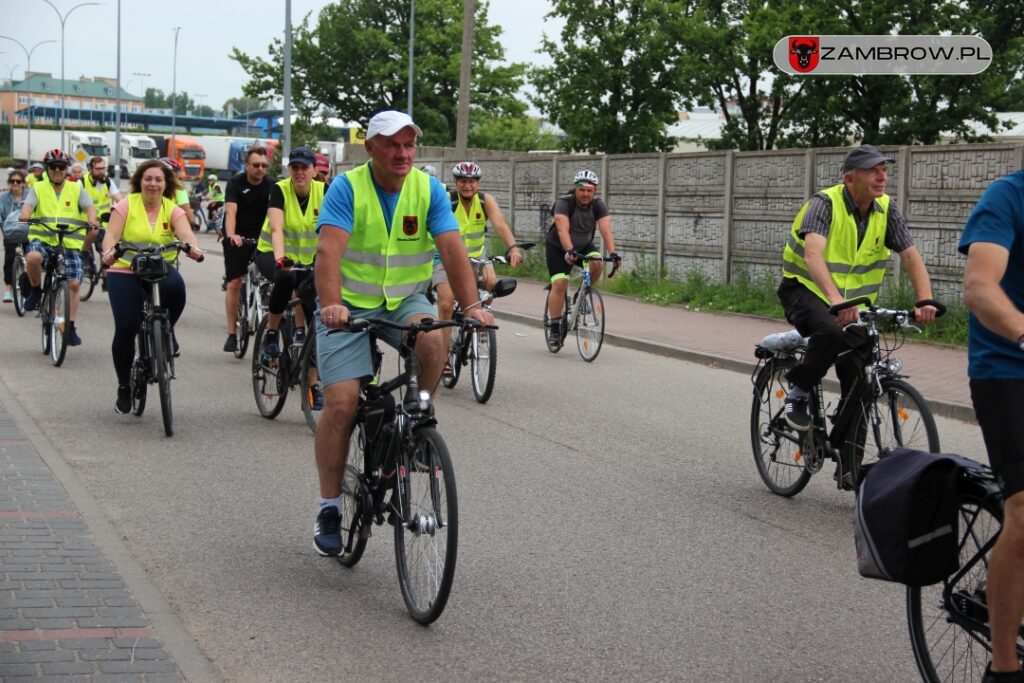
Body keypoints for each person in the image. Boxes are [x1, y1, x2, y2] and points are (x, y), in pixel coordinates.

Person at [311, 110, 492, 556]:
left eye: (409, 144)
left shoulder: (427, 189)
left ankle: (415, 423)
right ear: (370, 148)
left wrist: (471, 307)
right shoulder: (346, 188)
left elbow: (452, 250)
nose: (402, 153)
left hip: (404, 300)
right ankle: (329, 506)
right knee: (342, 402)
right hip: (348, 304)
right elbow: (327, 252)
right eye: (392, 144)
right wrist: (332, 304)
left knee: (434, 340)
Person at [777, 144, 938, 467]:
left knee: (860, 377)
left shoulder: (885, 209)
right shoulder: (825, 204)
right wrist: (837, 300)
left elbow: (910, 255)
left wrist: (924, 298)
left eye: (884, 169)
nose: (881, 176)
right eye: (872, 170)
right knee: (830, 334)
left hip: (849, 303)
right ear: (850, 178)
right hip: (804, 290)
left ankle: (851, 471)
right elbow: (812, 255)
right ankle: (799, 387)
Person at [959, 168, 1024, 683]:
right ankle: (1004, 667)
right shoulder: (1007, 196)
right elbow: (980, 285)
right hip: (1008, 369)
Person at [100, 159, 202, 414]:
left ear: (166, 184)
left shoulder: (172, 209)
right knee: (126, 327)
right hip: (125, 268)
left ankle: (167, 330)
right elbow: (111, 236)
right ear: (139, 182)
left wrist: (192, 248)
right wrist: (109, 252)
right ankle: (124, 386)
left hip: (159, 268)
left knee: (177, 288)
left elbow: (186, 234)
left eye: (159, 179)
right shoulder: (126, 205)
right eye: (148, 179)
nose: (153, 184)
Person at [433, 161, 522, 355]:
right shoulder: (447, 200)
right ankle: (443, 355)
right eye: (463, 181)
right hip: (446, 257)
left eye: (472, 181)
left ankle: (482, 319)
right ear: (455, 182)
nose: (468, 185)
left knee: (491, 282)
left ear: (478, 183)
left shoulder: (484, 201)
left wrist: (513, 248)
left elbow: (500, 224)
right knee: (446, 303)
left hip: (476, 256)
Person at [18, 149, 98, 346]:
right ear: (47, 168)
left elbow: (89, 207)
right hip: (43, 239)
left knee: (74, 284)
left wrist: (92, 220)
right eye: (52, 166)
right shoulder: (39, 187)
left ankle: (69, 328)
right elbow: (27, 206)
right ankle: (36, 292)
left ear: (66, 169)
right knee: (33, 258)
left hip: (69, 242)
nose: (57, 170)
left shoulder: (76, 188)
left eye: (61, 167)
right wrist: (25, 214)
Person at [253, 146, 321, 359]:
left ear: (314, 171)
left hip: (307, 259)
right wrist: (281, 259)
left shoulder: (325, 191)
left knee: (315, 293)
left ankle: (311, 350)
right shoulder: (280, 190)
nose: (299, 172)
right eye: (295, 167)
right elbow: (276, 229)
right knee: (286, 277)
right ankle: (272, 333)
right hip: (271, 253)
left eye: (304, 167)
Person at [544, 169, 620, 347]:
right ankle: (555, 327)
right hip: (558, 247)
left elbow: (605, 230)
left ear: (594, 191)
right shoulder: (564, 203)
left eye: (589, 190)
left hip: (584, 245)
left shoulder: (598, 205)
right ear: (575, 189)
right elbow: (562, 229)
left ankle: (581, 295)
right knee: (560, 284)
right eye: (582, 190)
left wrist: (613, 253)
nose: (586, 194)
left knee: (597, 263)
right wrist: (569, 250)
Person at [222, 146, 273, 353]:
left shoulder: (272, 185)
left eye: (264, 166)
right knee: (235, 282)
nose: (260, 169)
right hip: (239, 236)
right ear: (247, 166)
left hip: (263, 237)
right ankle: (232, 333)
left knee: (271, 280)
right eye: (256, 165)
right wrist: (232, 235)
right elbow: (231, 212)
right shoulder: (235, 183)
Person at [81, 156, 124, 287]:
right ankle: (84, 255)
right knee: (92, 233)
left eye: (103, 168)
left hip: (104, 222)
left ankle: (106, 278)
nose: (101, 171)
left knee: (105, 249)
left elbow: (120, 200)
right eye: (98, 169)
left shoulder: (108, 182)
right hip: (85, 222)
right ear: (90, 168)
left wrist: (126, 210)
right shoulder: (81, 182)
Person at [1, 170, 28, 303]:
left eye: (18, 181)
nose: (15, 183)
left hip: (28, 231)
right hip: (10, 231)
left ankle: (31, 288)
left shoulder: (30, 195)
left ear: (24, 183)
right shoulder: (3, 197)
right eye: (12, 181)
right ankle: (8, 288)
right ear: (9, 183)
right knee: (10, 258)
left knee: (32, 258)